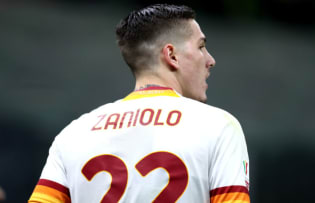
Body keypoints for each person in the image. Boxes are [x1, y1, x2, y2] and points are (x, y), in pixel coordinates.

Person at [28, 4, 250, 203]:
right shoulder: (218, 127)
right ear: (171, 55)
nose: (210, 60)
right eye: (201, 46)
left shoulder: (73, 135)